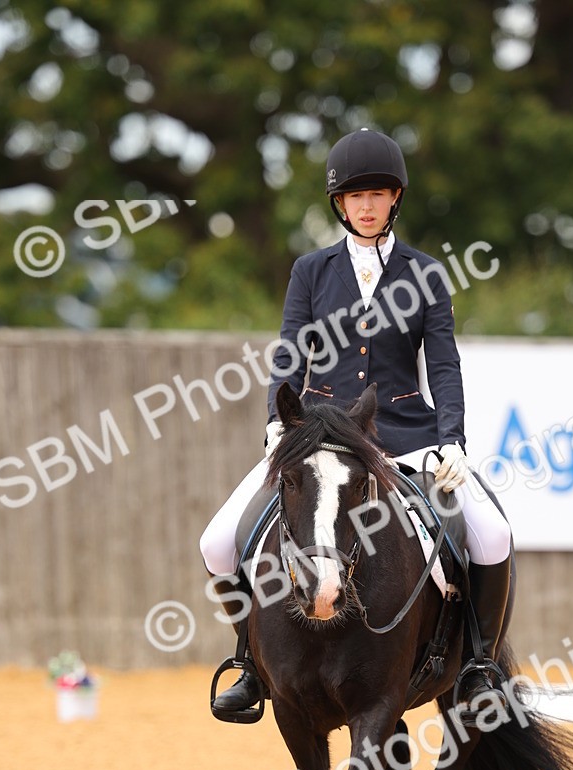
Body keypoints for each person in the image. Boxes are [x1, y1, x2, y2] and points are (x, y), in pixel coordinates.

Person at [200, 128, 512, 723]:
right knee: (216, 544)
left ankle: (479, 667)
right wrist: (276, 421)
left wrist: (453, 439)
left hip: (408, 440)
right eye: (355, 197)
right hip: (318, 439)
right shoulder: (311, 271)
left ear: (396, 198)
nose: (366, 206)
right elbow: (291, 351)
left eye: (378, 194)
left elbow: (442, 363)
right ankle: (248, 662)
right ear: (339, 204)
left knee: (492, 536)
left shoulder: (426, 274)